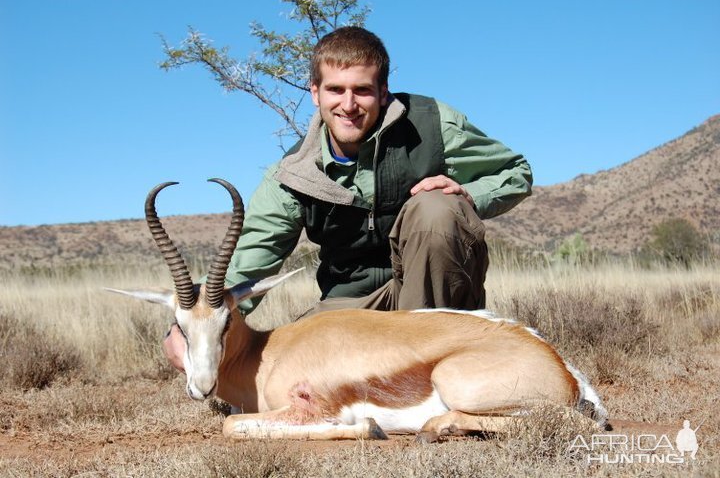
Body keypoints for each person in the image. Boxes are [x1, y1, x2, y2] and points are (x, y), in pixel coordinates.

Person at [164, 26, 532, 369]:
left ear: (383, 91)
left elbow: (516, 172)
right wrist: (189, 325)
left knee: (437, 206)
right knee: (292, 369)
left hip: (433, 297)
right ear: (315, 92)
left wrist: (469, 193)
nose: (349, 104)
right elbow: (250, 260)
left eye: (363, 90)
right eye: (336, 90)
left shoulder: (434, 125)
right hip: (352, 304)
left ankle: (433, 367)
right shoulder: (294, 173)